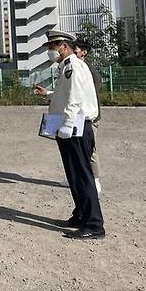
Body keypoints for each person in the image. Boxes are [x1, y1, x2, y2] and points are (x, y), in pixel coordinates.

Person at [34, 30, 104, 240]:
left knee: (82, 175)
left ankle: (94, 224)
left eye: (52, 47)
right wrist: (48, 94)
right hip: (70, 127)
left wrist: (68, 123)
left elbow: (75, 98)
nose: (50, 51)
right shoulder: (66, 67)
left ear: (64, 46)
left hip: (77, 128)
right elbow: (67, 94)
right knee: (74, 175)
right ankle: (81, 215)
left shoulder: (73, 66)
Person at [74, 39, 103, 193]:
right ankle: (82, 177)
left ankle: (95, 180)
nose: (74, 51)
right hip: (80, 116)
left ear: (84, 52)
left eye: (76, 49)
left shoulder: (88, 70)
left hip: (89, 117)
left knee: (91, 149)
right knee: (79, 149)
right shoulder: (78, 67)